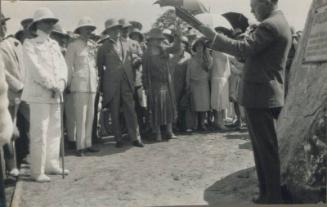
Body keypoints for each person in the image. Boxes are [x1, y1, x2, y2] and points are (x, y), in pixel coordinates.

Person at [199, 0, 292, 203]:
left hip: (261, 96)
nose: (251, 9)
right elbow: (256, 55)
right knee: (261, 149)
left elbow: (243, 48)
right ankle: (268, 193)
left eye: (254, 4)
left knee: (265, 150)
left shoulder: (270, 25)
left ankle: (273, 196)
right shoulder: (277, 22)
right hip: (262, 95)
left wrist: (212, 36)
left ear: (266, 2)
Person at [22, 7, 69, 182]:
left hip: (56, 94)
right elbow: (36, 70)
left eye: (52, 22)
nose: (50, 25)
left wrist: (62, 84)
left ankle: (51, 164)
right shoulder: (30, 44)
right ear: (37, 24)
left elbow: (63, 67)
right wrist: (52, 85)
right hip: (40, 94)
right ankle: (37, 170)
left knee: (55, 130)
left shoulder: (54, 44)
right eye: (46, 21)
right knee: (39, 131)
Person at [97, 18, 144, 148]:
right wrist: (103, 85)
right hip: (111, 84)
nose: (116, 32)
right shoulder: (103, 47)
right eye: (113, 30)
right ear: (108, 32)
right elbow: (100, 68)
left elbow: (133, 59)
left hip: (127, 82)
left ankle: (135, 137)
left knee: (131, 109)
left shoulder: (127, 44)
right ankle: (118, 138)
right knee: (115, 111)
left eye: (118, 29)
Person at [65, 17, 99, 156]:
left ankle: (88, 143)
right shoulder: (73, 45)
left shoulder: (92, 45)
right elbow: (69, 66)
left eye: (90, 29)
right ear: (79, 31)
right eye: (86, 29)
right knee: (80, 116)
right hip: (79, 84)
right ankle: (80, 146)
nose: (89, 32)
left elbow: (94, 66)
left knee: (90, 116)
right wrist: (67, 83)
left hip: (91, 84)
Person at [142, 28, 179, 141]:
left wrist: (177, 37)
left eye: (159, 39)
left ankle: (169, 131)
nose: (157, 42)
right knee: (156, 109)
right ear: (151, 40)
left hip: (166, 83)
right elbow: (145, 72)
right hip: (154, 84)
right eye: (155, 39)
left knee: (168, 107)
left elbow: (176, 48)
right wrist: (146, 87)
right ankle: (157, 133)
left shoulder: (164, 50)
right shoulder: (147, 54)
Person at [0, 13, 25, 177]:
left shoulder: (11, 43)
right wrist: (18, 85)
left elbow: (19, 67)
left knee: (14, 130)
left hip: (17, 92)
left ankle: (14, 165)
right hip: (7, 93)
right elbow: (5, 73)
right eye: (0, 25)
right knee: (6, 133)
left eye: (3, 24)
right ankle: (10, 167)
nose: (3, 28)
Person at [185, 37, 212, 131]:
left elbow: (208, 69)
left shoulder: (207, 58)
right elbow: (188, 72)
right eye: (197, 46)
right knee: (195, 105)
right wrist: (187, 83)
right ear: (195, 47)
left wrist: (203, 59)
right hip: (193, 83)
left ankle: (202, 123)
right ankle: (195, 124)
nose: (199, 48)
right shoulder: (190, 59)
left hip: (203, 83)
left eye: (201, 46)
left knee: (204, 105)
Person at [170, 36, 191, 132]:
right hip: (173, 83)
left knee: (184, 105)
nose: (182, 46)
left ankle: (184, 125)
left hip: (185, 83)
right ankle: (174, 125)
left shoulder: (188, 56)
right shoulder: (171, 56)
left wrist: (187, 85)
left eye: (184, 44)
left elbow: (189, 71)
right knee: (174, 105)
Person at [210, 49, 230, 131]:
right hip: (218, 79)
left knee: (221, 101)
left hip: (223, 79)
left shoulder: (223, 53)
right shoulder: (215, 53)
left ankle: (218, 122)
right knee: (218, 101)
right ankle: (219, 122)